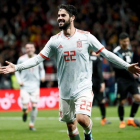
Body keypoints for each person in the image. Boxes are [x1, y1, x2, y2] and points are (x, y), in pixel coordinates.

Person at [0, 4, 140, 140]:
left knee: (82, 119)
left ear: (72, 17)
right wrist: (16, 67)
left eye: (63, 15)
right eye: (58, 15)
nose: (59, 18)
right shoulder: (54, 41)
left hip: (83, 87)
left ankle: (88, 133)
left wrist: (127, 66)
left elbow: (107, 54)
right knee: (70, 125)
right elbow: (37, 59)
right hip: (65, 91)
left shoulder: (86, 37)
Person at [15, 43, 45, 131]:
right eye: (27, 48)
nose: (29, 49)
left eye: (31, 47)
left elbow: (42, 69)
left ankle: (31, 124)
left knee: (35, 105)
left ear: (34, 49)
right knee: (24, 106)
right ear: (25, 49)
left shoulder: (38, 58)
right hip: (24, 86)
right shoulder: (21, 59)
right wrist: (19, 81)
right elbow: (16, 70)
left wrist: (42, 76)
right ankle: (25, 112)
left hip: (35, 86)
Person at [113, 32, 140, 128]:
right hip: (121, 80)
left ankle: (131, 119)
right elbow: (114, 66)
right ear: (120, 41)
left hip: (131, 79)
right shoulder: (116, 51)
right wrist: (127, 68)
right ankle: (121, 121)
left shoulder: (130, 51)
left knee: (138, 98)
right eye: (125, 41)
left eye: (128, 41)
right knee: (122, 102)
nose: (126, 43)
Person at [90, 51, 111, 125]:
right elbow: (99, 71)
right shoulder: (98, 59)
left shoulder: (87, 57)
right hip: (96, 82)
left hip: (87, 82)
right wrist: (102, 82)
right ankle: (103, 119)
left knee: (88, 101)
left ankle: (84, 119)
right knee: (101, 100)